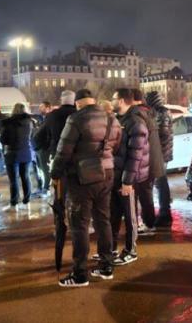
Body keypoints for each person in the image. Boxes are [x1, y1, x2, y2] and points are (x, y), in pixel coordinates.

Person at [51, 89, 121, 287]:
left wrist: (55, 173)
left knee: (79, 225)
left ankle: (80, 273)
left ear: (78, 103)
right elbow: (116, 146)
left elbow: (63, 151)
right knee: (103, 220)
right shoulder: (111, 119)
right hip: (107, 174)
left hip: (82, 178)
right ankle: (107, 266)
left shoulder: (76, 119)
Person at [110, 88, 149, 266]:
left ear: (123, 101)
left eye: (114, 98)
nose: (112, 101)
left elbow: (135, 155)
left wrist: (127, 182)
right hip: (116, 175)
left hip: (128, 179)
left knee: (130, 215)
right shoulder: (121, 120)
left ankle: (130, 250)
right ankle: (111, 249)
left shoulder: (135, 122)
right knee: (115, 213)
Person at [131, 89, 162, 236]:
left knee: (138, 195)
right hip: (153, 161)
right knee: (146, 195)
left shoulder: (137, 115)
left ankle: (144, 224)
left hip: (143, 163)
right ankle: (149, 224)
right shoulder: (149, 113)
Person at [145, 91, 174, 227]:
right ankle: (164, 210)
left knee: (160, 182)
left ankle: (165, 213)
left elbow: (162, 132)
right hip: (162, 151)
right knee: (160, 182)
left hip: (160, 152)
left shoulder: (160, 113)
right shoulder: (162, 112)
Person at [0, 103, 34, 210]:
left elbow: (3, 140)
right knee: (26, 176)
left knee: (13, 179)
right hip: (26, 151)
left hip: (12, 153)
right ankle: (27, 200)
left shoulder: (9, 123)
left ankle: (14, 202)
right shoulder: (30, 122)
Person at [34, 98, 70, 195]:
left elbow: (43, 134)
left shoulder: (52, 117)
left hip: (47, 148)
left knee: (47, 169)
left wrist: (39, 145)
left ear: (48, 107)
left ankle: (47, 189)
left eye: (42, 107)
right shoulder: (46, 118)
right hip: (48, 147)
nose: (39, 109)